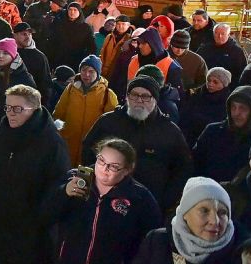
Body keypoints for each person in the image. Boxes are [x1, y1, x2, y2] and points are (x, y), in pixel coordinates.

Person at [0, 85, 69, 264]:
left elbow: (56, 188)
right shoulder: (3, 132)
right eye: (7, 107)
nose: (10, 113)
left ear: (34, 109)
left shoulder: (51, 143)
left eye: (17, 109)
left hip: (29, 232)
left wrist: (37, 218)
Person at [82, 75, 194, 214]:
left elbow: (183, 168)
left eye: (146, 96)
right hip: (105, 201)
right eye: (134, 95)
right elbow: (88, 152)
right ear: (127, 97)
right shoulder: (108, 122)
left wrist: (165, 201)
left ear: (155, 99)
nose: (139, 100)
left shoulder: (169, 131)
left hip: (148, 206)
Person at [50, 138, 162, 264]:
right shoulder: (74, 179)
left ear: (127, 170)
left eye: (114, 166)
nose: (104, 169)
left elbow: (151, 241)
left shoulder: (140, 197)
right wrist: (64, 192)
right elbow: (45, 215)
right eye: (101, 160)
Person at [132, 176, 245, 264]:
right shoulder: (157, 242)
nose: (214, 221)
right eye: (204, 211)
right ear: (184, 213)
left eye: (222, 213)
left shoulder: (242, 252)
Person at [53, 54, 119, 166]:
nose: (86, 74)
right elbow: (59, 113)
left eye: (91, 71)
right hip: (68, 143)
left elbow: (113, 125)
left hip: (92, 148)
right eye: (83, 70)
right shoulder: (70, 89)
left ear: (98, 73)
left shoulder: (108, 94)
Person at [192, 84, 251, 183]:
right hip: (208, 192)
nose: (236, 113)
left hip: (241, 196)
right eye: (233, 107)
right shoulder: (212, 131)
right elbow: (195, 162)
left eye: (243, 108)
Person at [180, 67, 234, 147]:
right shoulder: (197, 94)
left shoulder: (226, 102)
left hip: (209, 141)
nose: (210, 84)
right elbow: (185, 114)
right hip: (188, 137)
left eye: (215, 82)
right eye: (209, 80)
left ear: (223, 84)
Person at [13, 21, 53, 105]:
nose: (27, 37)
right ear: (15, 35)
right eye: (23, 34)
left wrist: (42, 105)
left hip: (31, 103)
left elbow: (45, 84)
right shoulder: (9, 54)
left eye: (29, 34)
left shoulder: (39, 57)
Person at [52, 2, 98, 70]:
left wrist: (85, 60)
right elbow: (53, 41)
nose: (72, 12)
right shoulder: (60, 24)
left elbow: (91, 46)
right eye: (70, 9)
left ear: (79, 12)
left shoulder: (86, 27)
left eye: (75, 10)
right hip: (59, 59)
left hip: (76, 60)